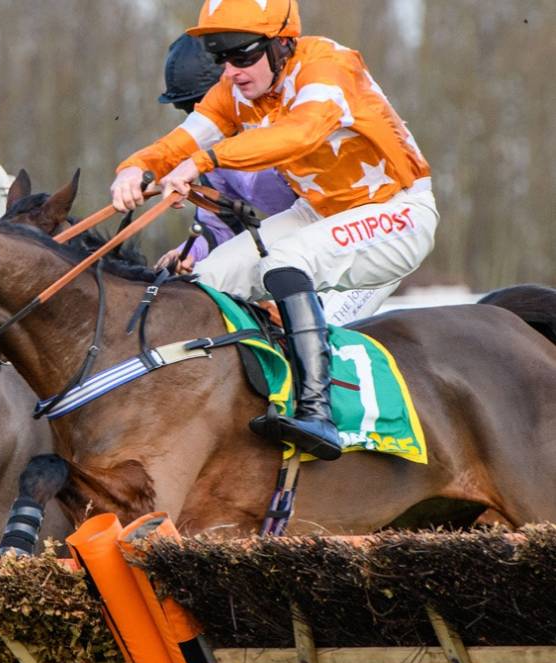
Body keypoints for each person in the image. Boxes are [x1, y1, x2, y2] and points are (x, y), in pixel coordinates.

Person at [110, 0, 435, 460]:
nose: (231, 71)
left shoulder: (328, 66)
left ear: (283, 44)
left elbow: (298, 135)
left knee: (286, 264)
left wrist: (202, 162)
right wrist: (134, 168)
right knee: (203, 283)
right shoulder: (233, 89)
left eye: (242, 56)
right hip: (318, 211)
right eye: (221, 58)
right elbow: (180, 142)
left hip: (399, 211)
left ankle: (318, 414)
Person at [151, 32, 392, 326]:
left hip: (364, 240)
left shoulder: (286, 129)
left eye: (203, 104)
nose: (203, 118)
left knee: (300, 331)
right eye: (189, 111)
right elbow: (220, 228)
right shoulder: (216, 163)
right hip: (300, 259)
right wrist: (188, 254)